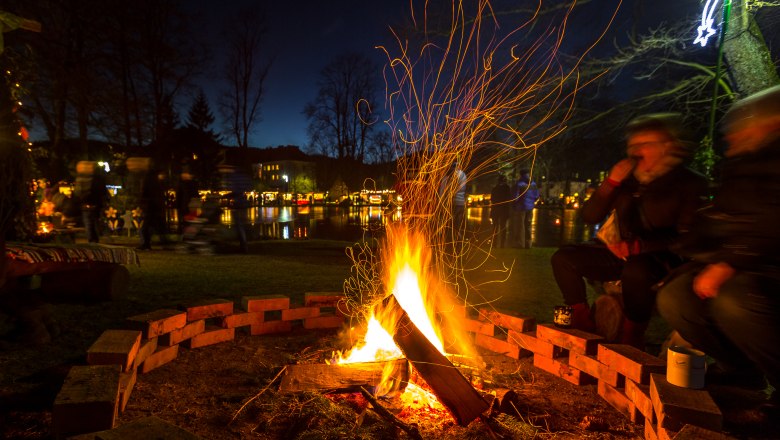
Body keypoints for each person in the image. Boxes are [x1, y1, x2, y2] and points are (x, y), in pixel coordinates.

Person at [657, 85, 780, 406]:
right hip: (740, 263)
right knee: (675, 296)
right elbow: (723, 216)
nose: (732, 137)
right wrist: (691, 245)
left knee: (733, 300)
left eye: (742, 127)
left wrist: (730, 262)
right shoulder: (741, 166)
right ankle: (741, 371)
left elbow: (771, 219)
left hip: (766, 267)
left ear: (771, 123)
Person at [550, 113, 708, 348]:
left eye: (646, 144)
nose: (636, 151)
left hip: (660, 260)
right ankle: (583, 325)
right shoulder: (629, 181)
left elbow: (688, 238)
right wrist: (611, 183)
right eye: (633, 145)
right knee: (564, 258)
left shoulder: (689, 182)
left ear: (668, 147)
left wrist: (640, 246)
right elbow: (590, 216)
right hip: (622, 253)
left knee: (636, 270)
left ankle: (632, 334)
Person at [128, 157, 170, 250]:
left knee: (146, 225)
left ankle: (146, 243)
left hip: (151, 204)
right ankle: (163, 242)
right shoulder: (152, 175)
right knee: (156, 224)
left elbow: (145, 190)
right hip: (153, 203)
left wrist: (142, 200)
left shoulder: (148, 176)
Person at [219, 164, 251, 253]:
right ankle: (244, 245)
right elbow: (245, 188)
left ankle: (243, 247)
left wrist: (225, 196)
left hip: (238, 204)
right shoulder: (244, 177)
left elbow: (235, 192)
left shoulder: (234, 177)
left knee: (239, 226)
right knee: (242, 226)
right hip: (244, 204)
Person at [74, 161, 109, 243]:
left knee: (88, 222)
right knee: (94, 221)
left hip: (86, 203)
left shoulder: (80, 179)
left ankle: (92, 238)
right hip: (95, 203)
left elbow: (77, 192)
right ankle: (95, 238)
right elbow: (102, 191)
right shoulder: (98, 178)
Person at [511, 169, 539, 249]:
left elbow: (515, 197)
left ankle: (520, 244)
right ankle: (528, 244)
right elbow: (536, 196)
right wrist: (531, 202)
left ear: (521, 174)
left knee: (520, 226)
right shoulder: (533, 184)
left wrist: (514, 204)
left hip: (521, 207)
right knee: (528, 225)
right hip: (530, 207)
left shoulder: (519, 184)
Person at [489, 174, 512, 248]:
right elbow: (509, 199)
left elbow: (492, 199)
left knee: (495, 227)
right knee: (503, 227)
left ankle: (494, 244)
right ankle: (502, 244)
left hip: (495, 210)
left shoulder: (495, 189)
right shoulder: (507, 188)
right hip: (504, 210)